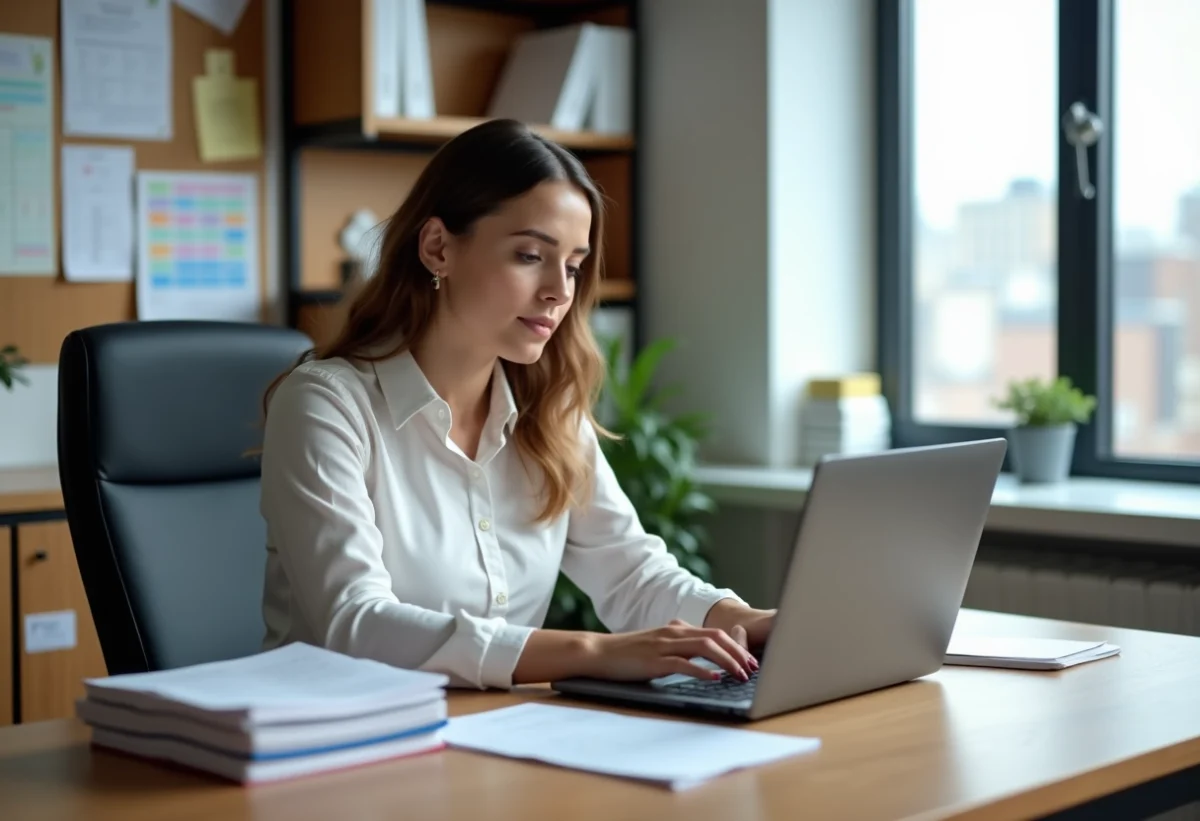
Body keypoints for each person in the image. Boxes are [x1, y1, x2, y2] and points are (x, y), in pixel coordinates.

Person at [259, 118, 774, 690]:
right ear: (437, 248)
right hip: (332, 744)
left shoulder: (547, 410)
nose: (559, 290)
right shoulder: (326, 406)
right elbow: (355, 623)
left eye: (574, 266)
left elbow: (631, 571)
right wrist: (592, 652)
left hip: (490, 738)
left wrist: (747, 622)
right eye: (531, 255)